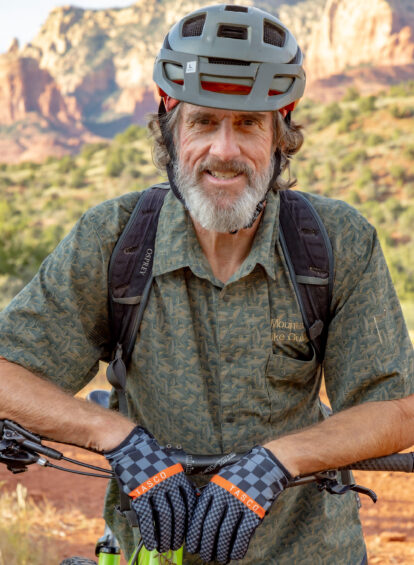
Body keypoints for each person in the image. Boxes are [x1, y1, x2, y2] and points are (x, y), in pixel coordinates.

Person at [0, 4, 413, 564]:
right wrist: (118, 438)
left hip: (310, 552)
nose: (224, 150)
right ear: (170, 130)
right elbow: (7, 372)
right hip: (153, 552)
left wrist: (279, 460)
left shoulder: (338, 242)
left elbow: (394, 408)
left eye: (247, 124)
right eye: (203, 121)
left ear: (279, 136)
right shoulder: (115, 238)